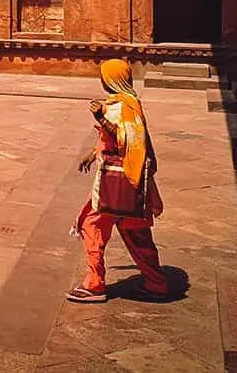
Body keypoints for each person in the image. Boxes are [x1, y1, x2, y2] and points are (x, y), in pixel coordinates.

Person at [66, 59, 167, 303]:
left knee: (92, 225)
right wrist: (92, 154)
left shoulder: (122, 107)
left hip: (115, 180)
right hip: (131, 183)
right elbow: (124, 138)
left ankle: (94, 283)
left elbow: (124, 138)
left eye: (104, 76)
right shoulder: (128, 104)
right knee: (136, 231)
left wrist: (101, 117)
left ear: (110, 80)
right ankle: (156, 283)